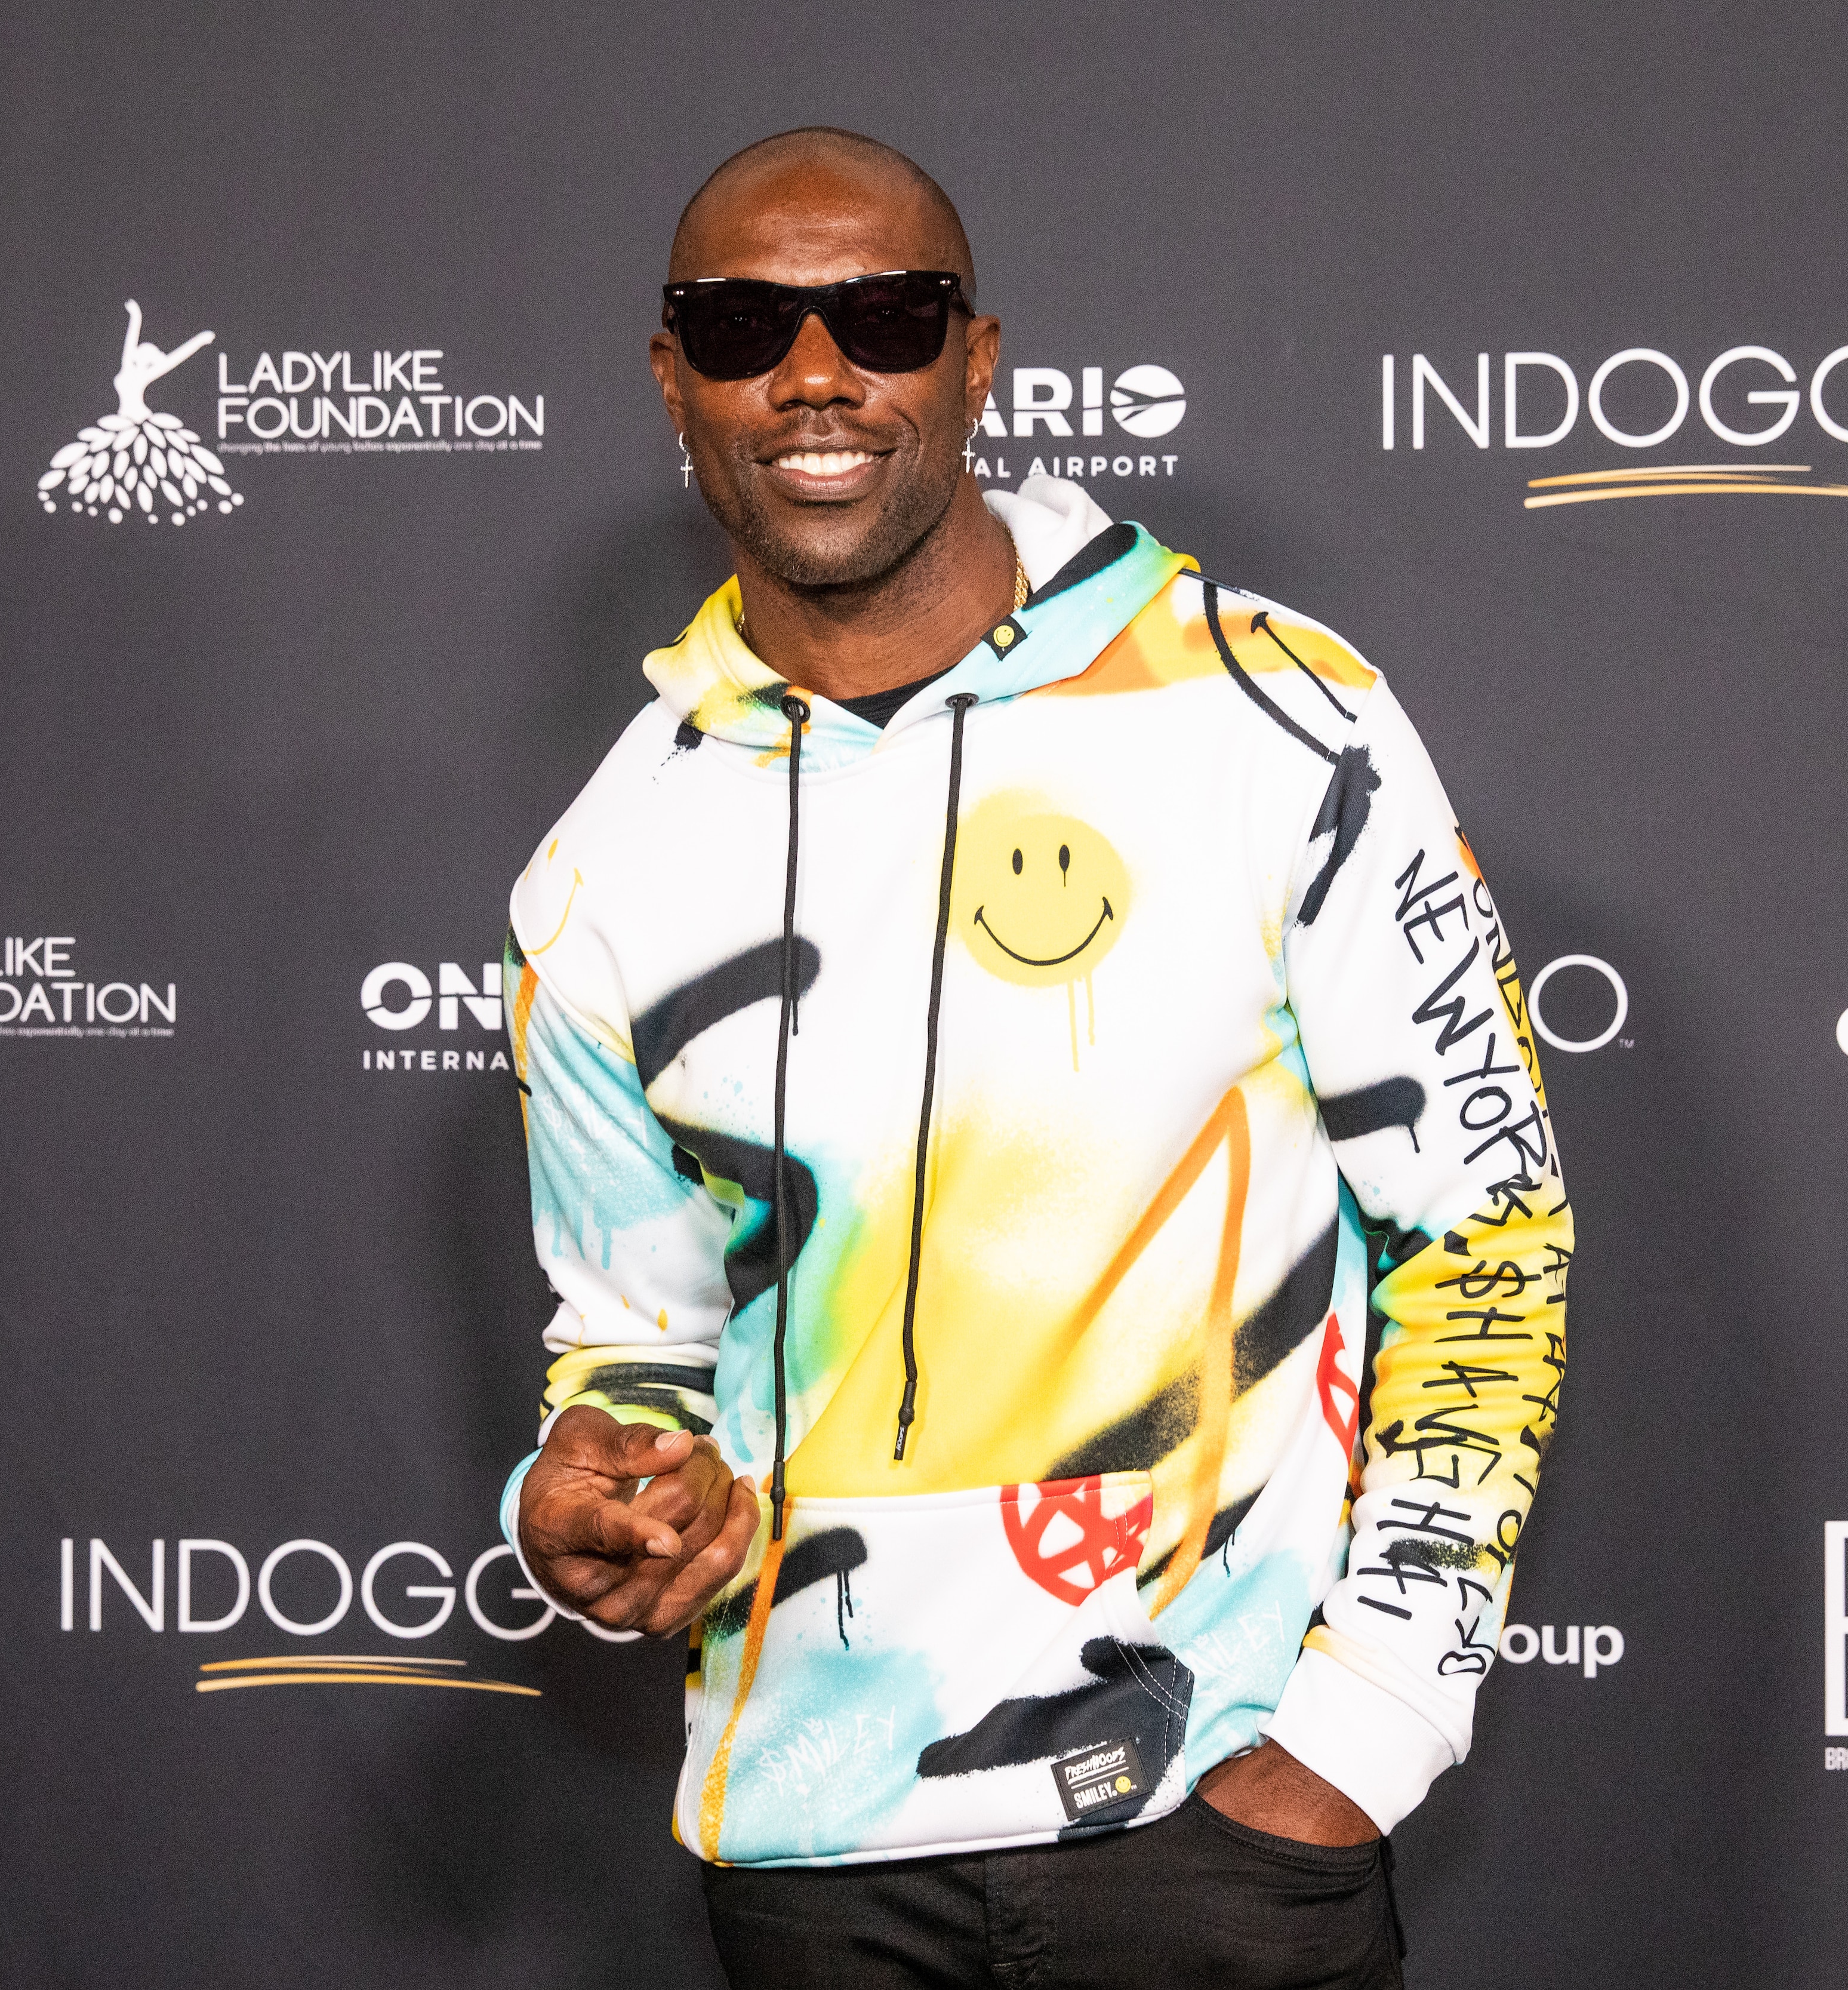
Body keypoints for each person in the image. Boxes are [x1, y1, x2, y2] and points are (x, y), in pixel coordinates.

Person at [501, 128, 1570, 1989]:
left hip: (1219, 1835)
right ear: (673, 380)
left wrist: (1360, 1738)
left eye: (885, 318)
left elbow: (1488, 1239)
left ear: (976, 362)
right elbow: (633, 1347)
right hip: (809, 1848)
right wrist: (590, 1493)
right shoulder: (607, 860)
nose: (816, 375)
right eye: (745, 325)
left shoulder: (1265, 713)